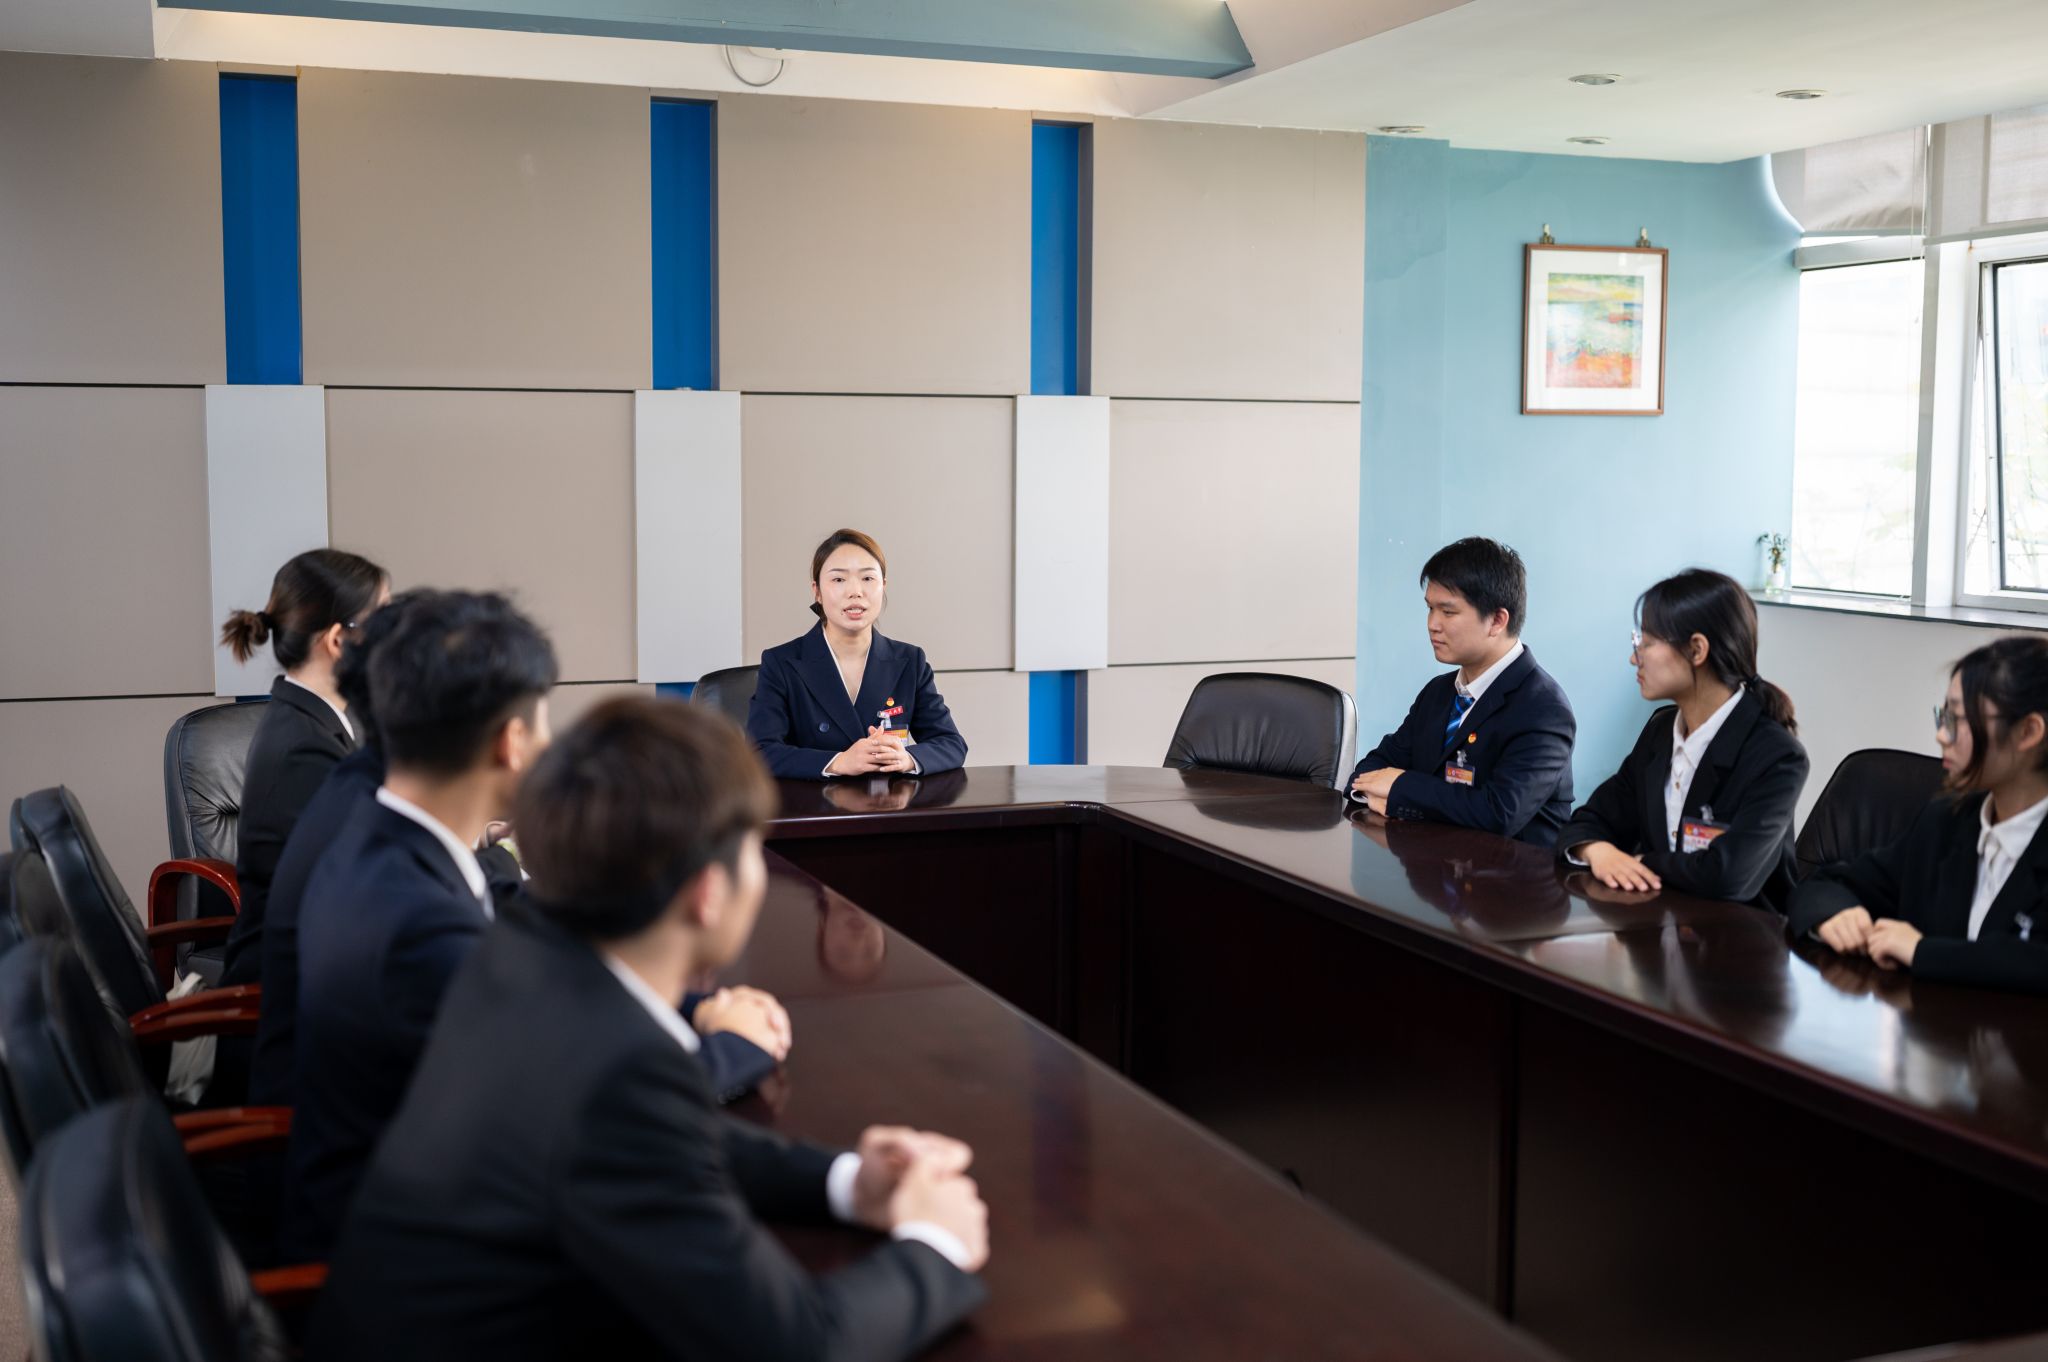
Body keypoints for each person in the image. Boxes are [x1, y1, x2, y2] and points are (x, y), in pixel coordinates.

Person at [310, 697, 990, 1361]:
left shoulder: (520, 954)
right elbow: (800, 1342)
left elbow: (670, 1141)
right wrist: (938, 1242)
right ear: (708, 894)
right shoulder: (622, 1070)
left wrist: (847, 1183)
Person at [280, 590, 563, 1260]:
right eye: (543, 723)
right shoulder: (415, 923)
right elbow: (564, 1102)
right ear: (511, 742)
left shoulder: (379, 832)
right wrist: (726, 1049)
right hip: (414, 1253)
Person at [1790, 637, 2048, 994]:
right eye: (1943, 717)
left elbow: (2033, 962)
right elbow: (1826, 883)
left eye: (1958, 720)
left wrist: (1922, 952)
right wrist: (1834, 915)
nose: (1941, 735)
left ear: (2028, 732)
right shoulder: (1949, 819)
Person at [1557, 569, 1809, 911]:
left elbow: (1728, 875)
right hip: (1660, 926)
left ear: (1696, 650)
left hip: (1742, 935)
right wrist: (1598, 850)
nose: (1634, 657)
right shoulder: (1660, 733)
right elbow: (1588, 821)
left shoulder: (1777, 755)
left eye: (1646, 643)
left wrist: (1641, 861)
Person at [218, 549, 389, 995]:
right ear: (338, 640)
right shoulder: (304, 750)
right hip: (287, 994)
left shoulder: (323, 719)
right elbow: (372, 880)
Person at [1348, 538, 1577, 847]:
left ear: (1497, 620)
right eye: (1430, 608)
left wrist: (1401, 788)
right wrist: (1390, 790)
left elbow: (1498, 814)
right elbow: (1371, 769)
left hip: (1511, 874)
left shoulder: (1544, 710)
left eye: (1448, 612)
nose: (1432, 624)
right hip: (1433, 865)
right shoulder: (1438, 692)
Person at [747, 529, 967, 780]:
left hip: (888, 800)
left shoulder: (911, 661)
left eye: (868, 578)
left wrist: (905, 758)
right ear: (817, 591)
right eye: (839, 579)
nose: (855, 591)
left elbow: (951, 744)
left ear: (883, 586)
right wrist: (838, 762)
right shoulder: (781, 663)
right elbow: (759, 752)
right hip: (812, 802)